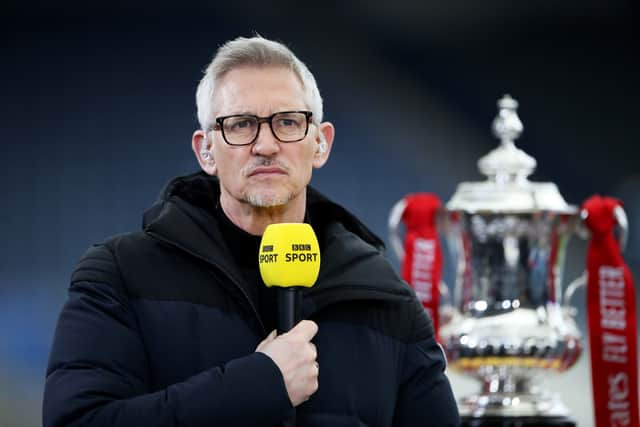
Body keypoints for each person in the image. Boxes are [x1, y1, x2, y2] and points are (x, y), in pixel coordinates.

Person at [43, 35, 460, 427]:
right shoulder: (119, 274)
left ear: (321, 143)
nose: (265, 145)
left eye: (288, 122)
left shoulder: (387, 298)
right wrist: (256, 385)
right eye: (241, 124)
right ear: (206, 149)